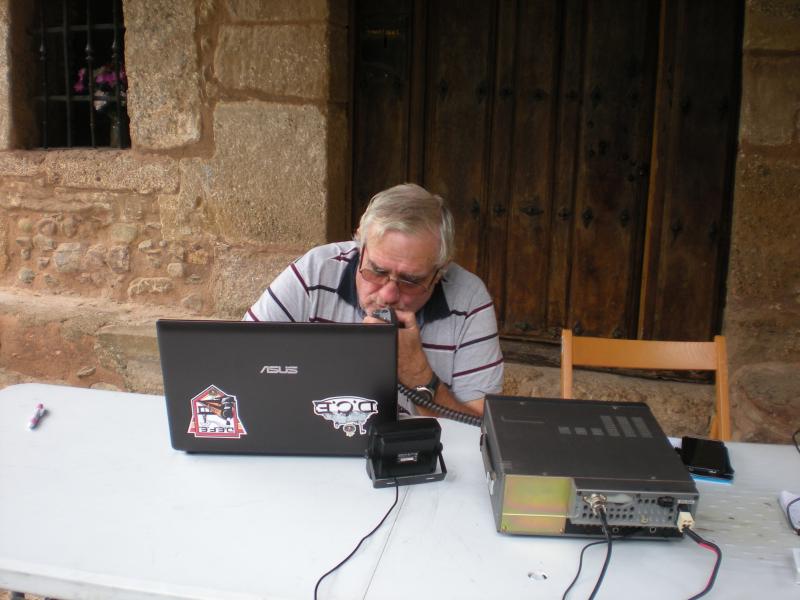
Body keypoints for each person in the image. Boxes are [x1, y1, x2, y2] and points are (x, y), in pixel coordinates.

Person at [244, 183, 503, 418]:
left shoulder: (469, 299)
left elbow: (481, 431)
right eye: (377, 271)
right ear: (360, 244)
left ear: (439, 273)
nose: (388, 295)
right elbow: (242, 363)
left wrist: (417, 374)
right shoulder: (315, 272)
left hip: (423, 452)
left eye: (410, 281)